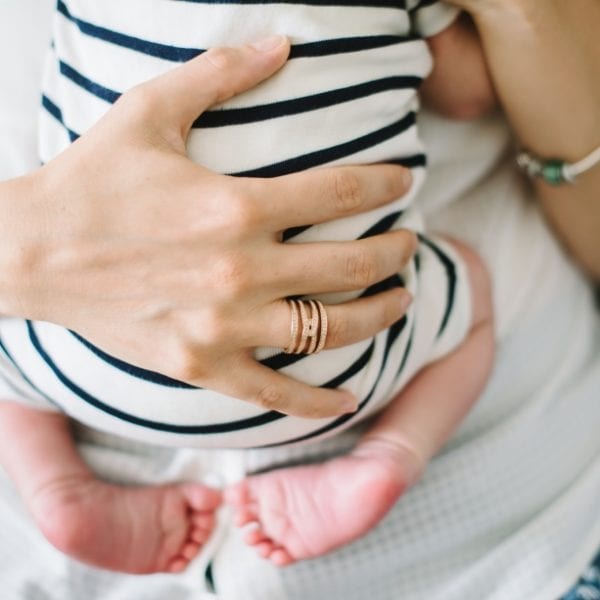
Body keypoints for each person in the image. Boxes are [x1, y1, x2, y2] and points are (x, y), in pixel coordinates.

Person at [0, 1, 598, 599]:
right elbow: (465, 92)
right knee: (472, 295)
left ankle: (54, 485)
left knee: (9, 365)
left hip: (88, 372)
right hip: (348, 365)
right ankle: (388, 453)